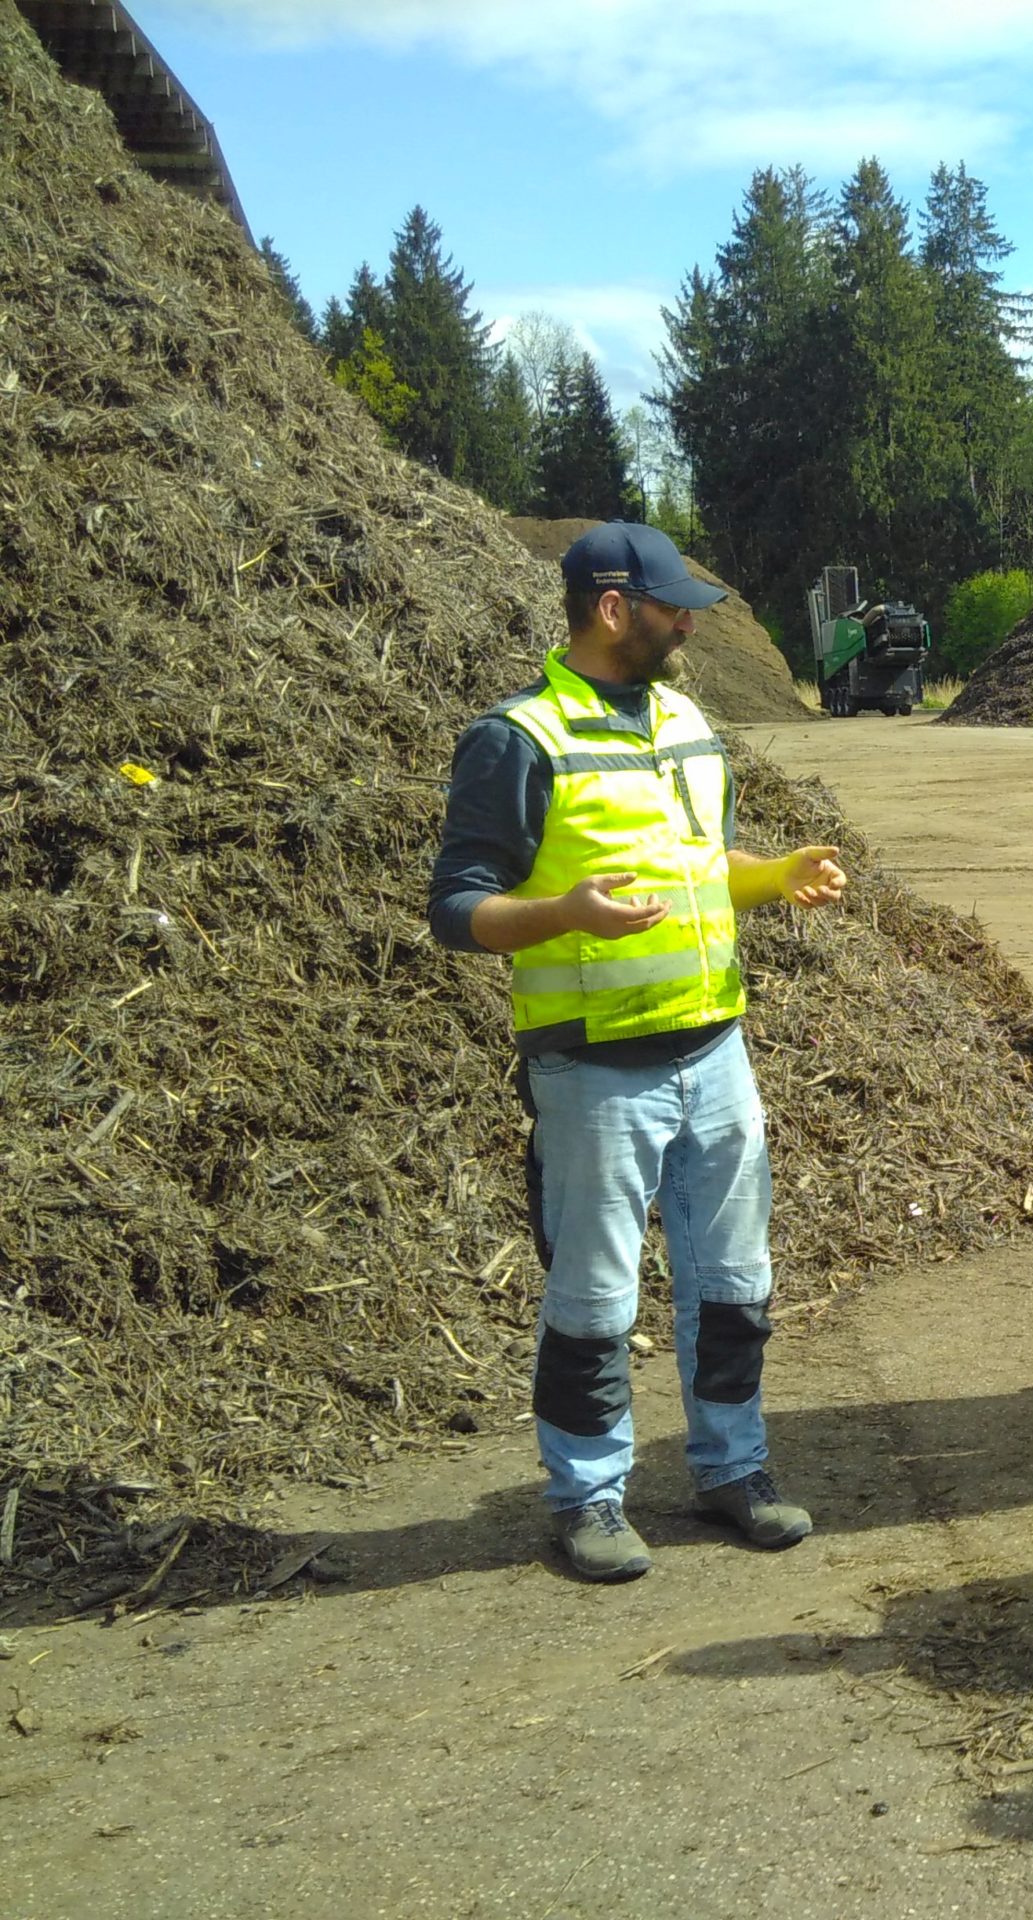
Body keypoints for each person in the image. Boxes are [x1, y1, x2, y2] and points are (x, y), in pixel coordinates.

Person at [428, 522, 846, 1583]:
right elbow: (456, 908)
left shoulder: (685, 723)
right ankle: (586, 1498)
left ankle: (732, 1470)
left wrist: (772, 875)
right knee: (596, 1300)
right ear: (614, 610)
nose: (690, 621)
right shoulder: (517, 740)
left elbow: (702, 866)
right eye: (672, 605)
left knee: (735, 1281)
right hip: (592, 1073)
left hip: (715, 1054)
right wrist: (561, 912)